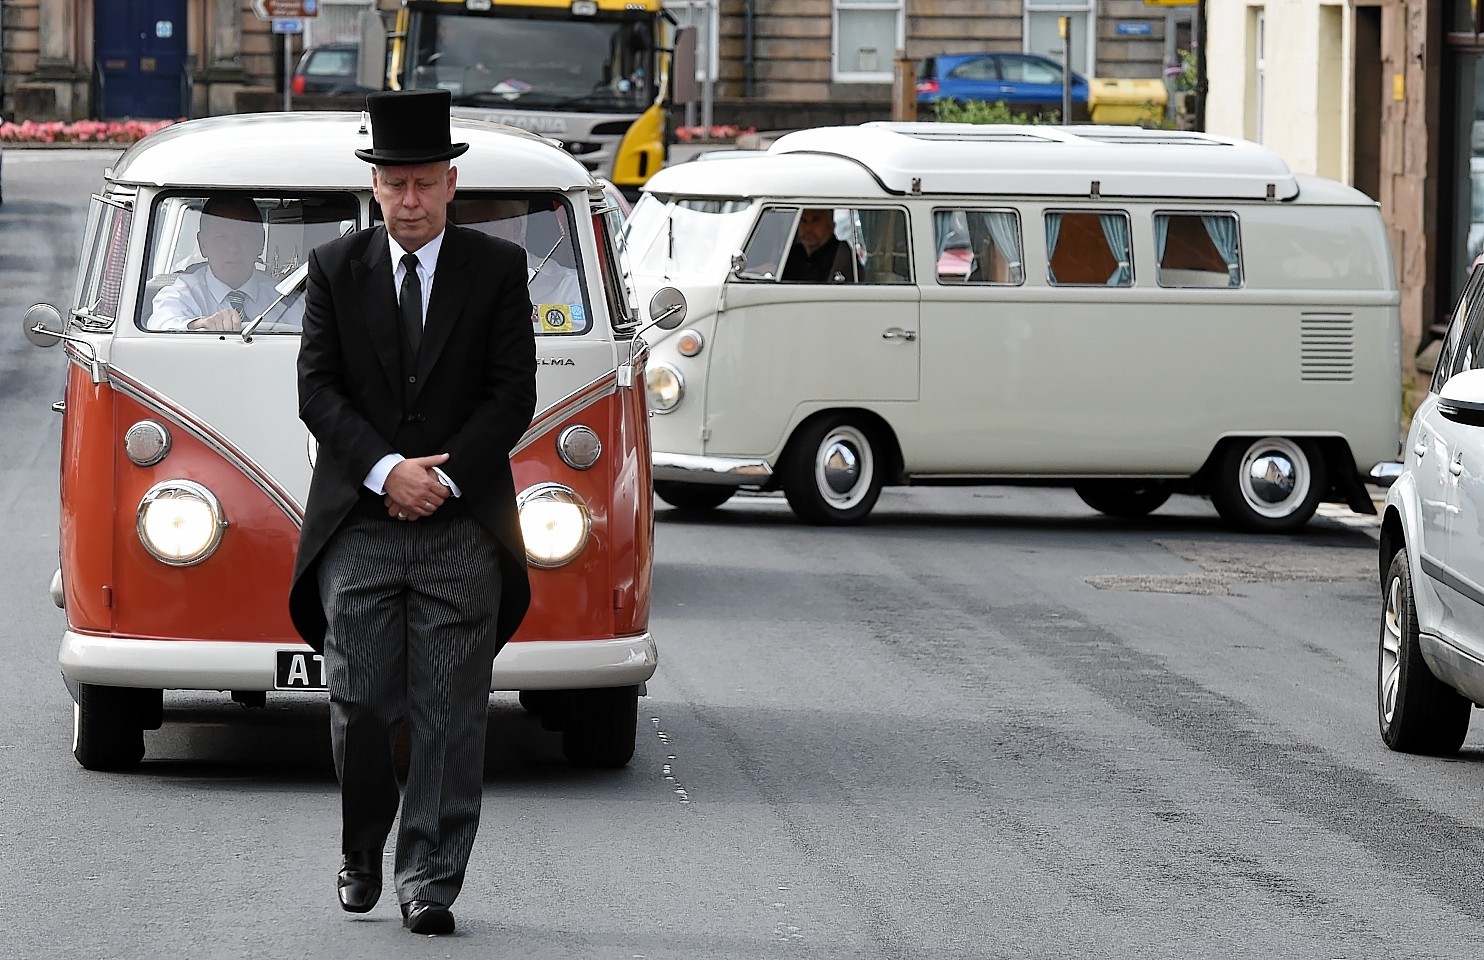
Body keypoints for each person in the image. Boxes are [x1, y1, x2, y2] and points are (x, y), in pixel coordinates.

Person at [288, 88, 537, 937]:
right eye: (395, 186)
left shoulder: (498, 270)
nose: (410, 202)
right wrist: (389, 472)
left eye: (425, 184)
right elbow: (316, 393)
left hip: (463, 528)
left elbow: (513, 398)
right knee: (358, 700)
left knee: (449, 710)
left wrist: (443, 480)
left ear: (451, 184)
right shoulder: (333, 268)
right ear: (376, 189)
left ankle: (429, 876)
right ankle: (363, 846)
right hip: (357, 523)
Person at [146, 197, 297, 331]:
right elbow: (160, 323)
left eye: (244, 236)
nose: (233, 248)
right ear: (203, 244)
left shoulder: (286, 299)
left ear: (261, 241)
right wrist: (200, 324)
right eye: (221, 237)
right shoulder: (182, 293)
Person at [781, 207, 853, 283]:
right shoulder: (791, 255)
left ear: (831, 226)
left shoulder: (840, 255)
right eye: (803, 221)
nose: (808, 228)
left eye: (815, 221)